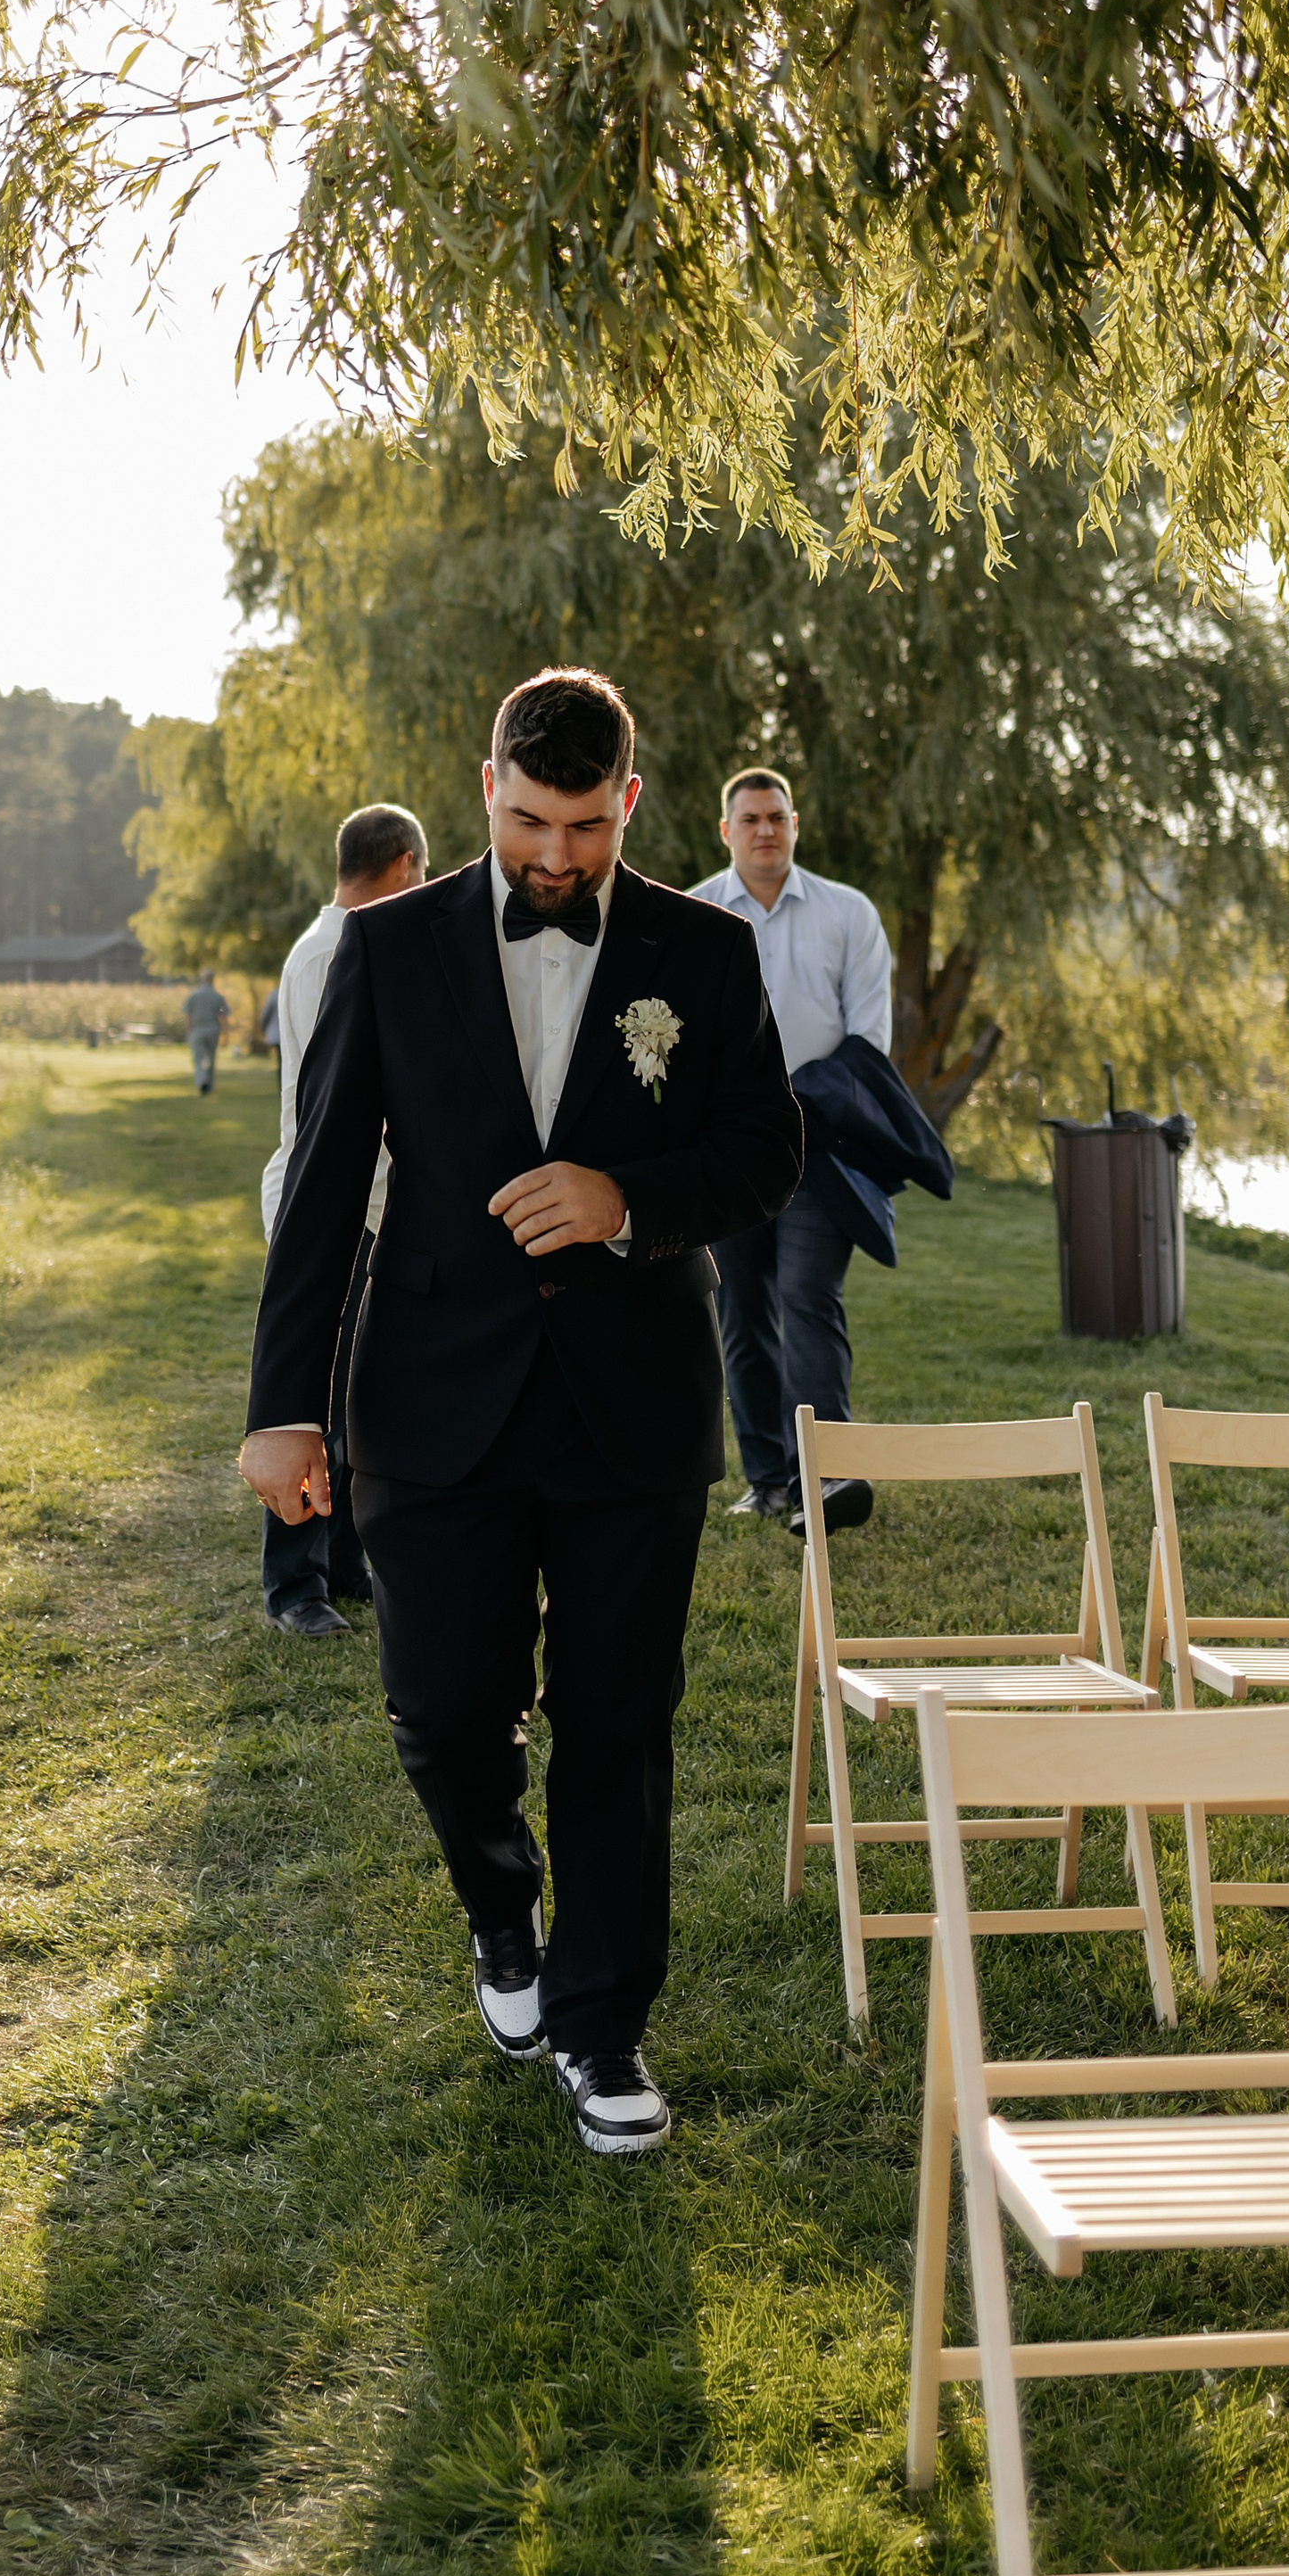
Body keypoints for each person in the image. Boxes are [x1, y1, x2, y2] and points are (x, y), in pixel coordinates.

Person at [240, 668, 800, 2158]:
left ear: (631, 798)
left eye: (582, 828)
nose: (553, 858)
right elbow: (318, 1193)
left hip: (632, 1410)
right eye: (526, 821)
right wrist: (282, 1408)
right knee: (441, 1717)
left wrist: (634, 1203)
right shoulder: (385, 950)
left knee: (621, 1723)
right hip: (427, 1400)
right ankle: (504, 1913)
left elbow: (765, 1151)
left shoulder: (707, 952)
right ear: (486, 781)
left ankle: (604, 2026)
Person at [691, 770, 894, 1531]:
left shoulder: (849, 913)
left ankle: (830, 1475)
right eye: (750, 818)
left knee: (808, 1297)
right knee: (742, 1311)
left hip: (820, 1146)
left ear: (796, 824)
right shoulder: (698, 913)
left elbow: (869, 1039)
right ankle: (769, 1479)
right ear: (727, 830)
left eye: (777, 817)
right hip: (729, 1151)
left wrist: (803, 1100)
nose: (765, 829)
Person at [257, 802, 431, 1639]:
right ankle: (295, 1582)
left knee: (358, 1395)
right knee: (317, 1399)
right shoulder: (337, 950)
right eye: (423, 875)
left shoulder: (322, 943)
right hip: (339, 1205)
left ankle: (345, 1558)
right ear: (403, 865)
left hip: (365, 1201)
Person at [185, 970, 232, 1094]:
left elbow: (187, 1016)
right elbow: (223, 1016)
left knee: (198, 1059)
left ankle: (202, 1081)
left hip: (197, 1030)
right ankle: (209, 1085)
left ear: (202, 979)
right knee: (211, 1058)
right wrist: (225, 1032)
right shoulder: (218, 996)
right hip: (213, 1030)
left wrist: (189, 1031)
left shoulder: (194, 996)